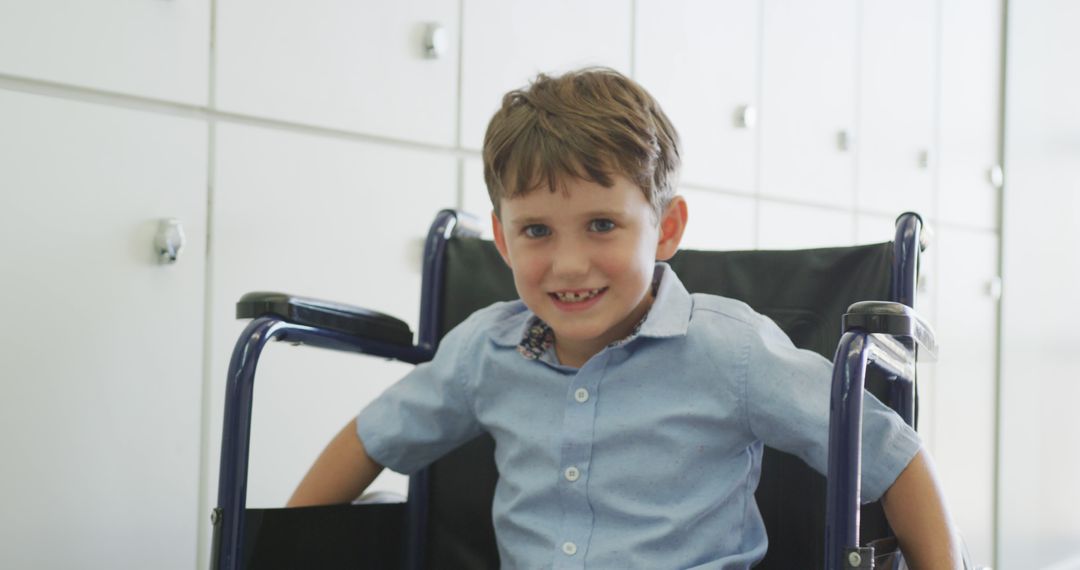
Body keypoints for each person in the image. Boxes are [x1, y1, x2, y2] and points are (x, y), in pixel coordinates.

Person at [288, 67, 962, 568]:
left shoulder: (732, 351)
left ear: (666, 228)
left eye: (602, 224)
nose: (570, 264)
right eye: (537, 233)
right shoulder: (482, 352)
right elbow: (371, 438)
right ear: (501, 239)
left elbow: (893, 457)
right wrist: (277, 546)